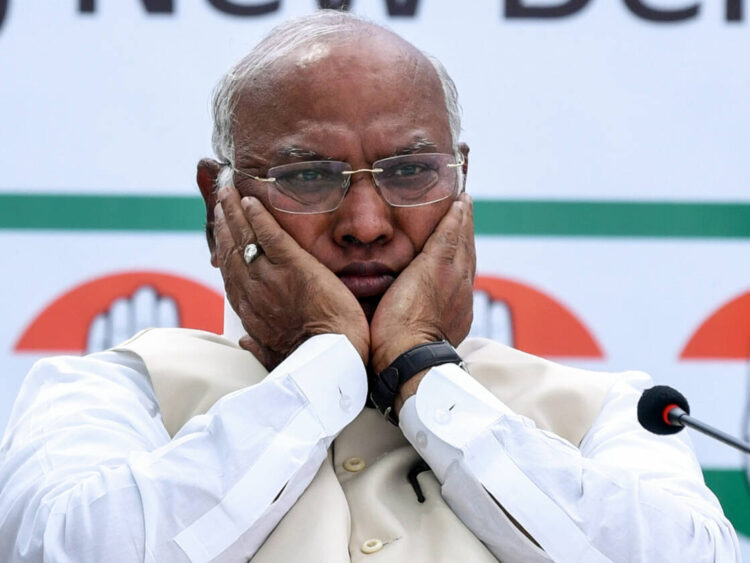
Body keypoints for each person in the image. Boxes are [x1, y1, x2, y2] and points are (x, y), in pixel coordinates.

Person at [0, 10, 740, 563]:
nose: (364, 222)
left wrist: (423, 373)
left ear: (462, 185)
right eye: (308, 176)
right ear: (216, 201)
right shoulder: (113, 393)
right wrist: (324, 362)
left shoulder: (610, 411)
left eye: (410, 171)